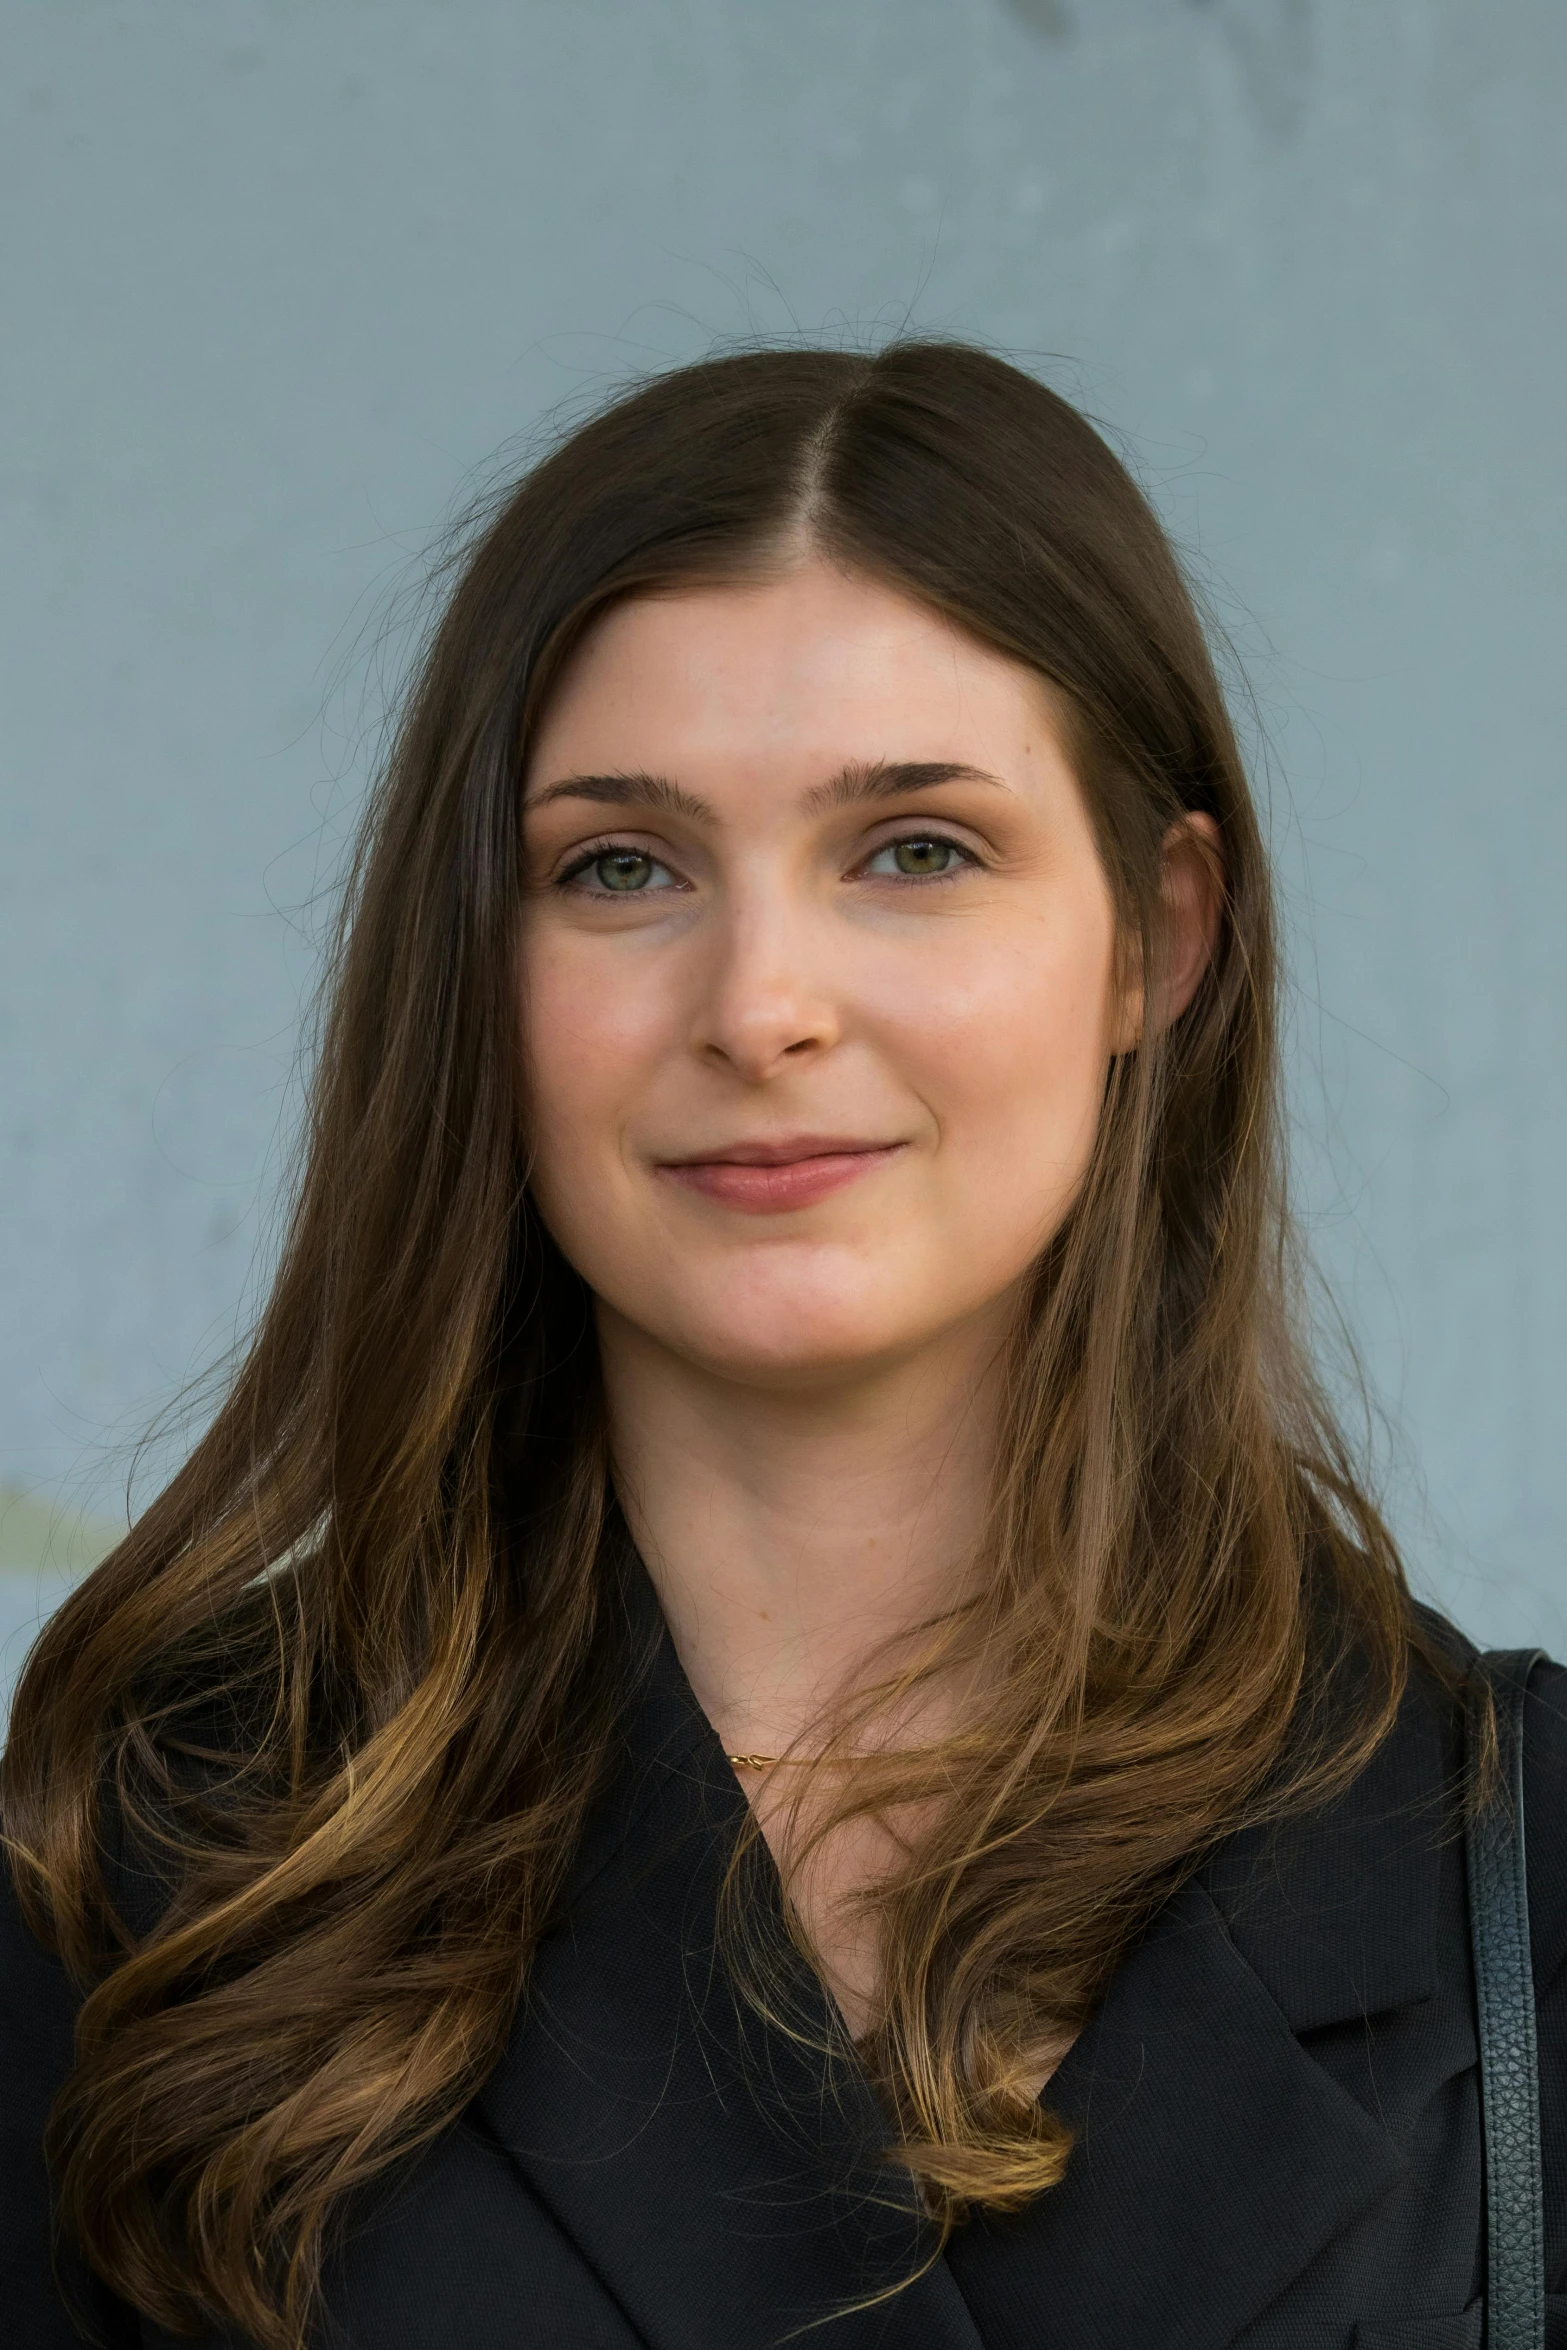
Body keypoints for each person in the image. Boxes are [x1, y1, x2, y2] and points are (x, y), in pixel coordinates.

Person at [2, 341, 1563, 2350]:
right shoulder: (146, 1885)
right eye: (620, 866)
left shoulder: (1496, 1871)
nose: (762, 1002)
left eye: (914, 847)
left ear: (1157, 939)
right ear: (478, 967)